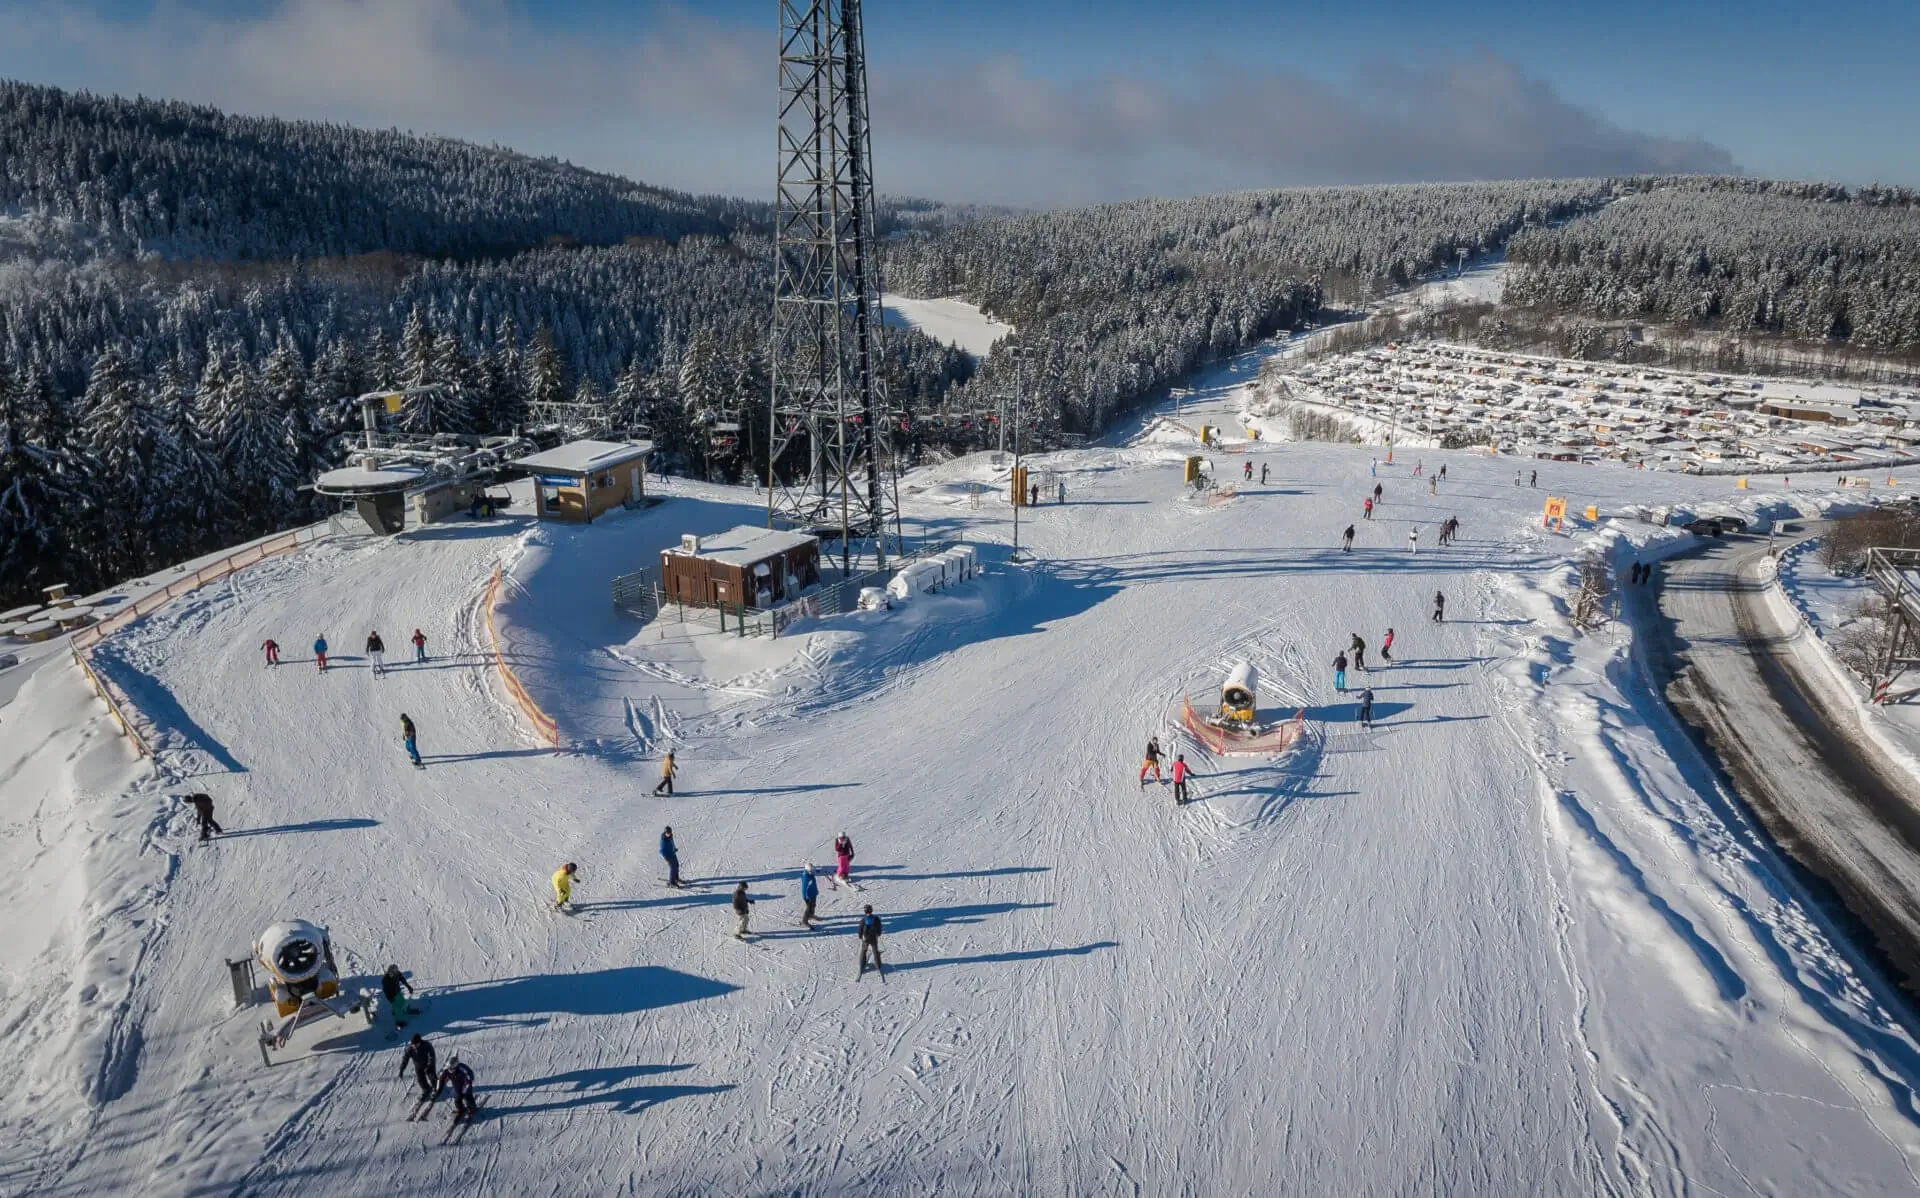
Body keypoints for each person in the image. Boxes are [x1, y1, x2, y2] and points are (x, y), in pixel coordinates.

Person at [401, 1033, 438, 1101]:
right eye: (413, 1044)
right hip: (418, 1065)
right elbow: (405, 1059)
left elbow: (432, 1056)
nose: (414, 1046)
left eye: (415, 1044)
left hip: (429, 1064)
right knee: (420, 1079)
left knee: (432, 1076)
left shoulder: (427, 1045)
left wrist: (429, 1066)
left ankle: (434, 1089)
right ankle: (426, 1089)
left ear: (419, 1042)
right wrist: (401, 1069)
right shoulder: (409, 1048)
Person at [439, 1056, 477, 1121]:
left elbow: (470, 1074)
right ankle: (460, 1108)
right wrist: (439, 1087)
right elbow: (442, 1077)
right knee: (457, 1099)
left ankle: (472, 1109)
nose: (449, 1070)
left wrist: (468, 1082)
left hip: (465, 1085)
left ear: (455, 1066)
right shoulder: (447, 1070)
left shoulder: (461, 1068)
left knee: (467, 1097)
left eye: (451, 1068)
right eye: (449, 1068)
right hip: (456, 1085)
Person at [381, 964, 416, 1028]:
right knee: (398, 1008)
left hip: (398, 992)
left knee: (402, 1002)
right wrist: (390, 999)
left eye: (395, 972)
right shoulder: (385, 979)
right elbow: (386, 991)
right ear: (389, 971)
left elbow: (403, 980)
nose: (393, 974)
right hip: (392, 996)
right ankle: (399, 1023)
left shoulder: (397, 974)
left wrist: (408, 987)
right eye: (391, 973)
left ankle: (395, 1011)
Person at [857, 905, 885, 977]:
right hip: (873, 938)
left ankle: (862, 965)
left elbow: (860, 929)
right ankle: (878, 965)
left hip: (865, 939)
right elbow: (879, 928)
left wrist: (860, 936)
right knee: (875, 951)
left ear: (865, 911)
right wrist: (878, 933)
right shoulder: (876, 919)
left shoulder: (863, 920)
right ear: (872, 910)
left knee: (863, 951)